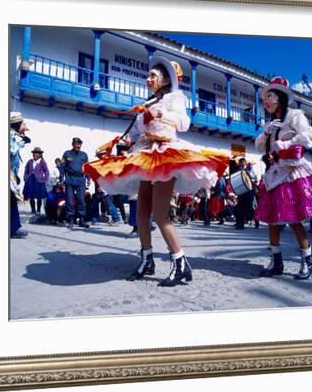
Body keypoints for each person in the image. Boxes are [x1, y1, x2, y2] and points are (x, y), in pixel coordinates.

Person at [84, 56, 229, 286]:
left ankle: (181, 263)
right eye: (148, 75)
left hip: (165, 156)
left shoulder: (174, 99)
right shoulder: (147, 103)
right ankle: (147, 258)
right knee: (141, 213)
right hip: (146, 154)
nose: (148, 78)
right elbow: (138, 133)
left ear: (163, 80)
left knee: (161, 215)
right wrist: (116, 145)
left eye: (153, 75)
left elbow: (184, 123)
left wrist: (162, 114)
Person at [253, 77, 312, 280]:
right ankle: (276, 262)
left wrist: (285, 143)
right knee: (272, 221)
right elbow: (259, 147)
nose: (266, 101)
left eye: (270, 96)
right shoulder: (271, 123)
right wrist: (266, 133)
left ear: (280, 99)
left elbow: (308, 136)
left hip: (291, 173)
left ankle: (307, 261)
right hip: (274, 174)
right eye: (265, 97)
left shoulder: (294, 115)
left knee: (294, 219)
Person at [61, 137, 91, 229]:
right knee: (69, 200)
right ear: (73, 145)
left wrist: (88, 179)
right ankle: (70, 220)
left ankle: (82, 220)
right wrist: (62, 179)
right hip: (70, 179)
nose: (78, 145)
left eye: (79, 144)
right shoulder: (67, 154)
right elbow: (62, 167)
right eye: (76, 144)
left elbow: (87, 168)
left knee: (81, 200)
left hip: (80, 180)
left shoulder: (84, 155)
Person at [9, 112, 30, 239]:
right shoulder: (10, 135)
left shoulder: (13, 134)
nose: (25, 126)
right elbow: (11, 150)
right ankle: (13, 228)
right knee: (11, 202)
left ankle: (13, 227)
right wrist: (22, 142)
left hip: (12, 174)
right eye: (23, 124)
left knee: (12, 201)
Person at [23, 147, 50, 215]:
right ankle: (33, 210)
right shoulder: (30, 161)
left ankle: (38, 210)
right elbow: (26, 170)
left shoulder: (42, 162)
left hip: (39, 181)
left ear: (40, 154)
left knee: (39, 196)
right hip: (30, 181)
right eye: (34, 153)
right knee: (31, 196)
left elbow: (46, 171)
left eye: (37, 153)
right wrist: (26, 177)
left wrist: (45, 179)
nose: (35, 154)